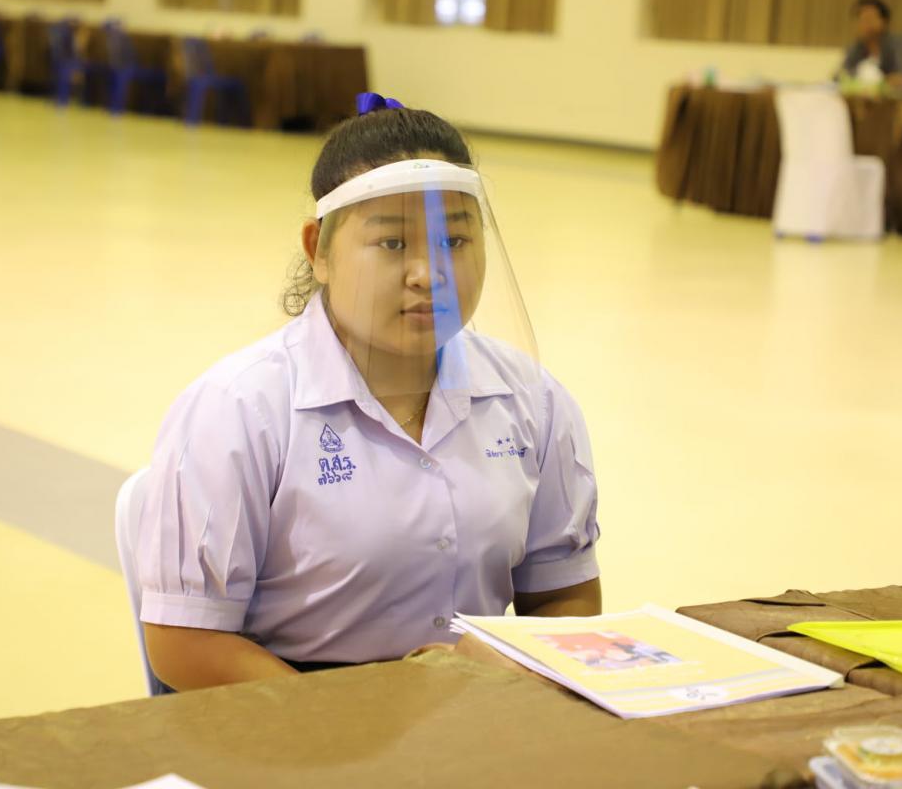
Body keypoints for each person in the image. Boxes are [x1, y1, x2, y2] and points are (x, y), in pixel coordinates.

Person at [136, 94, 603, 692]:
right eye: (392, 244)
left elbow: (565, 595)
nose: (428, 274)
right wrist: (344, 720)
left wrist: (507, 669)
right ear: (318, 251)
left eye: (454, 242)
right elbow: (183, 640)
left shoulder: (532, 400)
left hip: (474, 709)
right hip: (294, 714)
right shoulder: (240, 409)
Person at [838, 0, 902, 80]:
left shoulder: (898, 43)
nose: (865, 23)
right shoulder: (856, 47)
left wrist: (876, 79)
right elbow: (840, 75)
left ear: (884, 21)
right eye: (861, 18)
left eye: (869, 18)